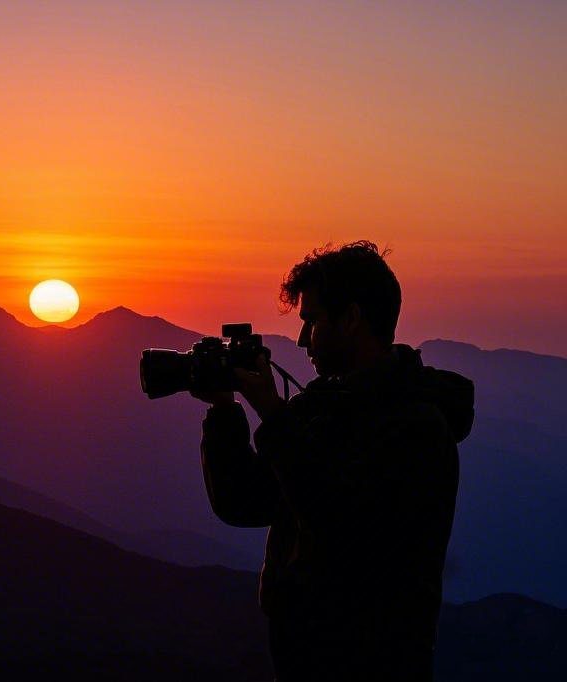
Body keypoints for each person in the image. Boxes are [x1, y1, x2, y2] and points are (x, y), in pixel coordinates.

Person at [195, 241, 474, 681]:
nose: (301, 339)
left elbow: (342, 523)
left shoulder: (417, 426)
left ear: (351, 318)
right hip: (300, 658)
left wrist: (274, 416)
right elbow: (244, 502)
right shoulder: (319, 408)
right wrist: (224, 410)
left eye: (312, 321)